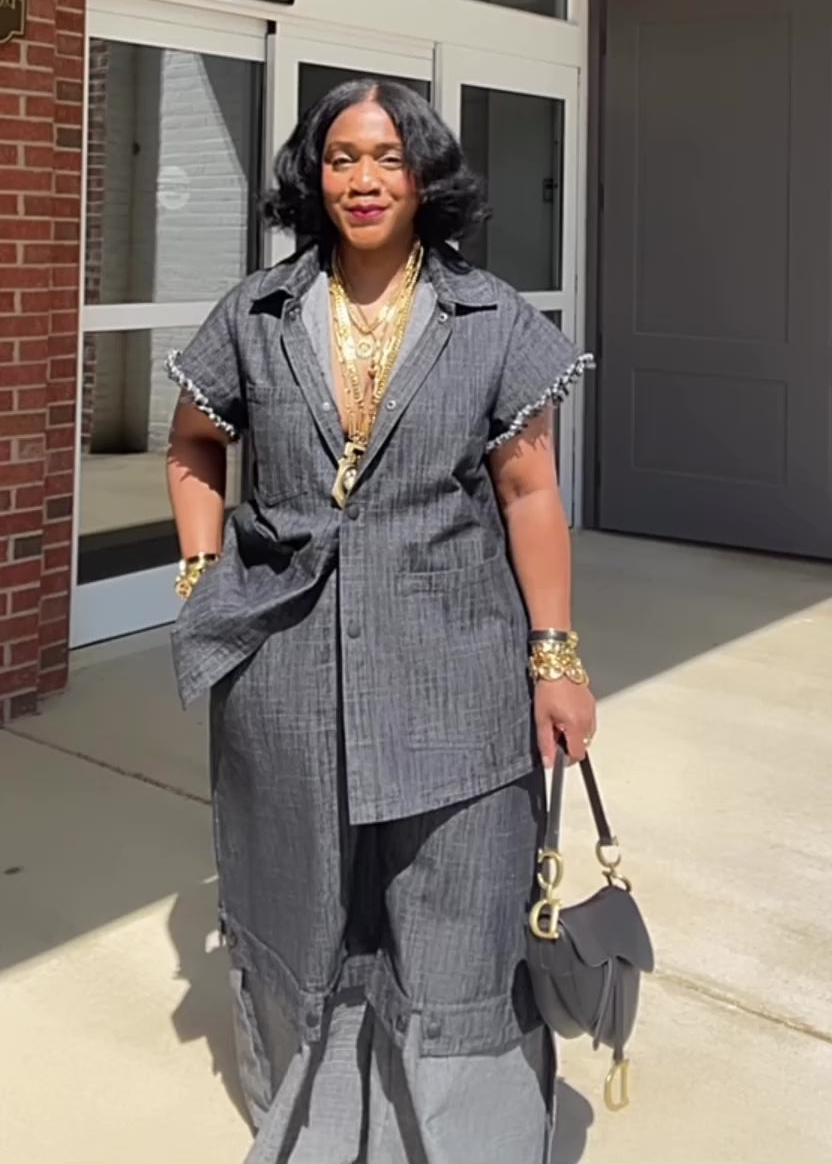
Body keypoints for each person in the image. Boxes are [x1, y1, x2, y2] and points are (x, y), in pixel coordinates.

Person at [164, 78, 596, 1164]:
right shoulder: (256, 313)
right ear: (313, 175)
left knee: (460, 914)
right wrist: (203, 572)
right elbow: (195, 442)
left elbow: (529, 494)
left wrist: (555, 657)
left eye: (389, 158)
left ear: (425, 176)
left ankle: (463, 1136)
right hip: (287, 676)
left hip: (455, 670)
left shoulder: (491, 319)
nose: (364, 179)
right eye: (342, 157)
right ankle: (317, 1128)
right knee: (304, 909)